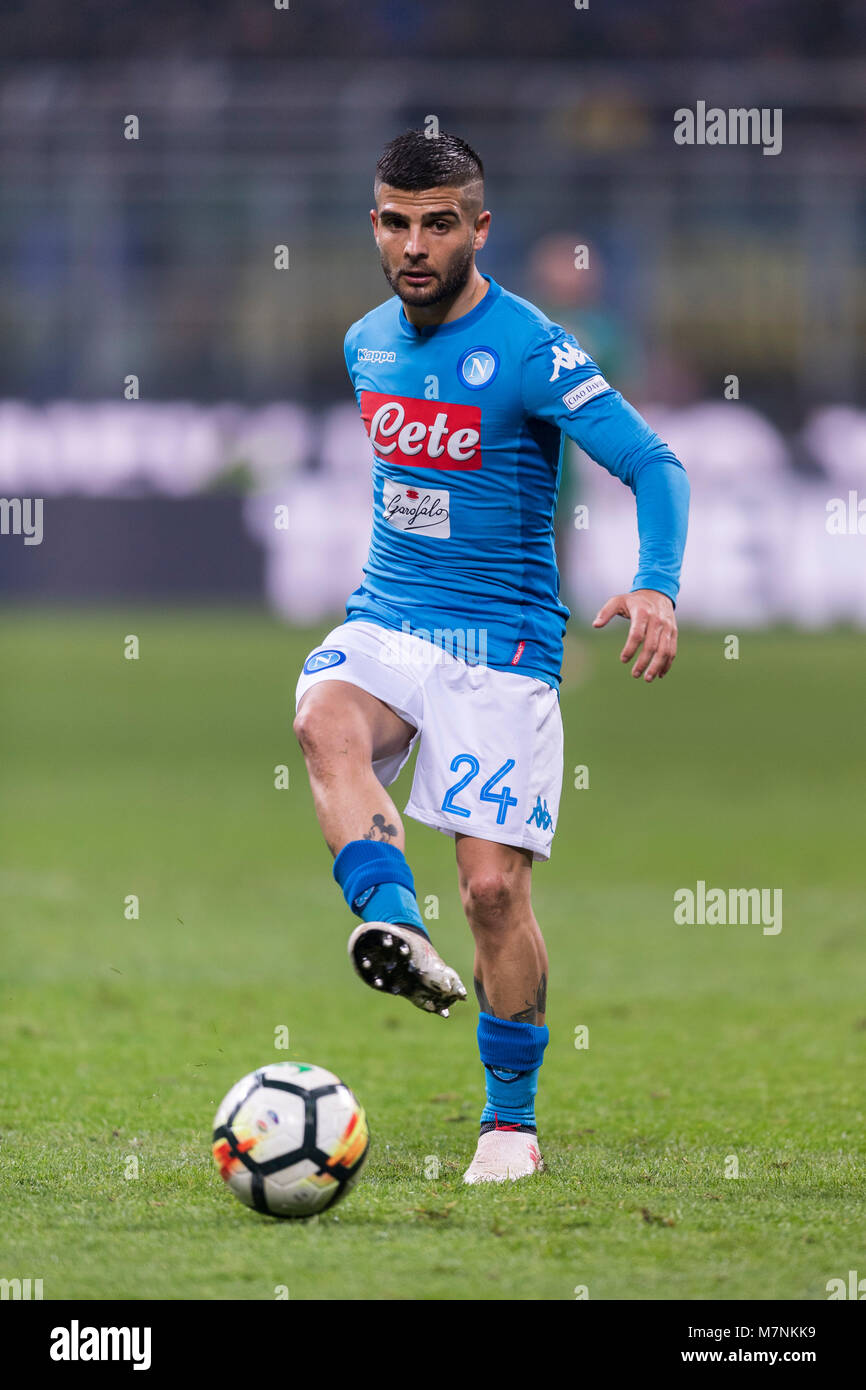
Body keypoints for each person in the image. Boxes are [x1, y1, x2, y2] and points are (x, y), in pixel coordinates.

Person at [294, 130, 689, 1184]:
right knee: (321, 718)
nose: (413, 244)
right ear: (373, 225)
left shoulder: (530, 349)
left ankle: (507, 1124)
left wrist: (655, 579)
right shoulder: (364, 342)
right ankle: (387, 924)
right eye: (394, 222)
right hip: (387, 620)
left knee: (491, 898)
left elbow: (652, 465)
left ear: (477, 226)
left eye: (436, 223)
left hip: (502, 648)